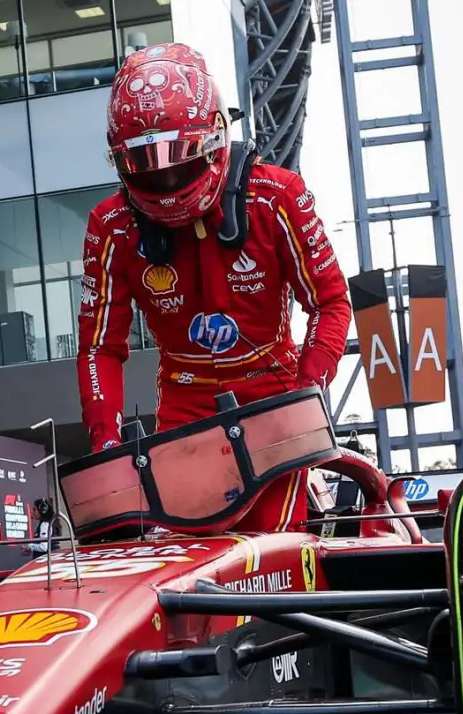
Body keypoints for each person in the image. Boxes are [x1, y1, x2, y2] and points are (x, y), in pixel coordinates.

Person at [78, 42, 352, 532]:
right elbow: (100, 345)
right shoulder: (113, 226)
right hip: (186, 404)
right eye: (146, 163)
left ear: (214, 136)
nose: (164, 176)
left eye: (177, 160)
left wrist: (305, 392)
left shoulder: (278, 198)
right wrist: (105, 440)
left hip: (275, 393)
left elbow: (330, 302)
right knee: (184, 550)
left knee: (271, 545)